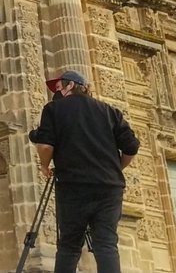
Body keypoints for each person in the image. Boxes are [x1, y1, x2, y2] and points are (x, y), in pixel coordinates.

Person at [29, 70, 140, 273]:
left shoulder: (54, 109)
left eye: (59, 87)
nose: (56, 92)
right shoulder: (109, 111)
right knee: (106, 244)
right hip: (109, 188)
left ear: (70, 85)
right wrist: (115, 169)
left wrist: (45, 166)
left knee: (69, 246)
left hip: (74, 187)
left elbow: (44, 146)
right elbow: (132, 147)